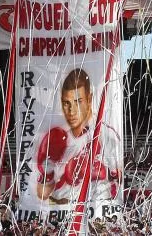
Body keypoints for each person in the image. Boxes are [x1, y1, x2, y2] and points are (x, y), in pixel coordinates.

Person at [34, 68, 121, 204]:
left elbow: (120, 179)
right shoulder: (57, 138)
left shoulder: (106, 135)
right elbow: (42, 195)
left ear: (89, 99)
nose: (72, 111)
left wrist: (106, 173)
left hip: (97, 208)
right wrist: (48, 174)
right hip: (62, 209)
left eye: (78, 101)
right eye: (66, 103)